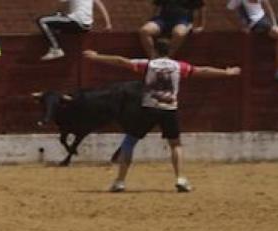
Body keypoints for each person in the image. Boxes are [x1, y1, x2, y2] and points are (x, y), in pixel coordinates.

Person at [83, 39, 240, 193]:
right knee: (175, 144)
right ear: (169, 51)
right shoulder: (179, 66)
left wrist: (97, 57)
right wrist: (226, 72)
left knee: (130, 141)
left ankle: (120, 181)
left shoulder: (148, 64)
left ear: (154, 51)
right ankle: (180, 179)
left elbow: (121, 61)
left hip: (148, 108)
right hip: (169, 109)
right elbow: (202, 71)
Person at [226, 0, 278, 84]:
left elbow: (268, 8)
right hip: (256, 22)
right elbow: (229, 10)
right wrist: (242, 26)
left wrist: (275, 24)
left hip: (265, 17)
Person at [36, 0, 112, 61]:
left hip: (76, 22)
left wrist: (57, 13)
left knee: (42, 20)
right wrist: (108, 23)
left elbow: (61, 7)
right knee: (58, 29)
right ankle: (60, 48)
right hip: (86, 26)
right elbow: (101, 5)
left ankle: (55, 49)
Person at [138, 0, 205, 58]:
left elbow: (201, 9)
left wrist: (200, 26)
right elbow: (156, 7)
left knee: (179, 34)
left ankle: (168, 58)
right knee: (144, 31)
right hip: (163, 19)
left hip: (183, 20)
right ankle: (153, 58)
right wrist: (150, 20)